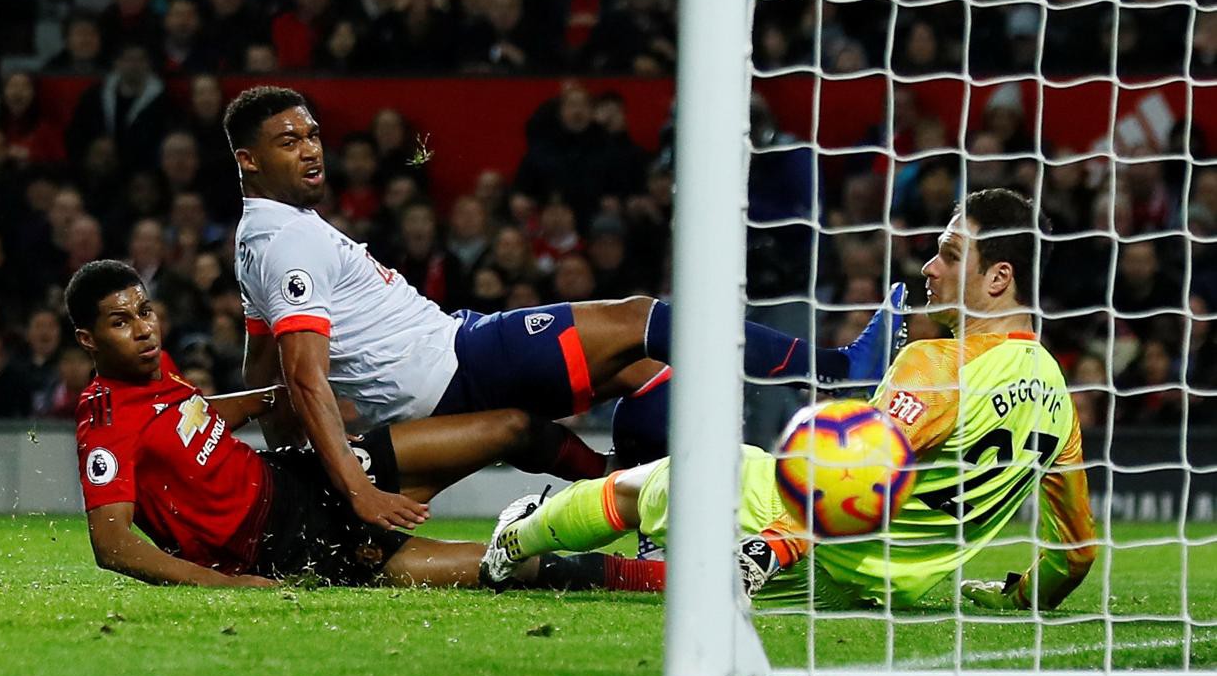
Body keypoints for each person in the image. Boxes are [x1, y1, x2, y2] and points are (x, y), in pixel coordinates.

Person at [224, 85, 905, 533]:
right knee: (644, 318)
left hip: (445, 368)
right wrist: (354, 488)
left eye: (312, 134)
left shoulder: (257, 240)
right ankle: (839, 370)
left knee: (641, 372)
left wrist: (282, 470)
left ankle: (637, 500)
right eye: (290, 141)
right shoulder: (288, 242)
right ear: (248, 161)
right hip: (457, 362)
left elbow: (267, 379)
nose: (312, 148)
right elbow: (304, 375)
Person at [484, 189, 1098, 612]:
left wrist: (776, 543)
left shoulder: (937, 362)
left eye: (951, 253)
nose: (930, 267)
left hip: (790, 519)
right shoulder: (1058, 401)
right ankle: (561, 572)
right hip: (865, 587)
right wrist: (1016, 598)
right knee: (690, 588)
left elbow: (853, 476)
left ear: (999, 278)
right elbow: (1076, 554)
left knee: (635, 488)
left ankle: (517, 540)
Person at [67, 259, 643, 590]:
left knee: (516, 426)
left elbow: (187, 423)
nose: (144, 328)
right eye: (122, 322)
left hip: (302, 477)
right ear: (89, 340)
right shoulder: (106, 423)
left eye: (144, 311)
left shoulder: (156, 373)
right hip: (287, 547)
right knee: (517, 569)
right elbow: (113, 545)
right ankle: (657, 577)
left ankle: (633, 495)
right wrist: (233, 586)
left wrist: (266, 397)